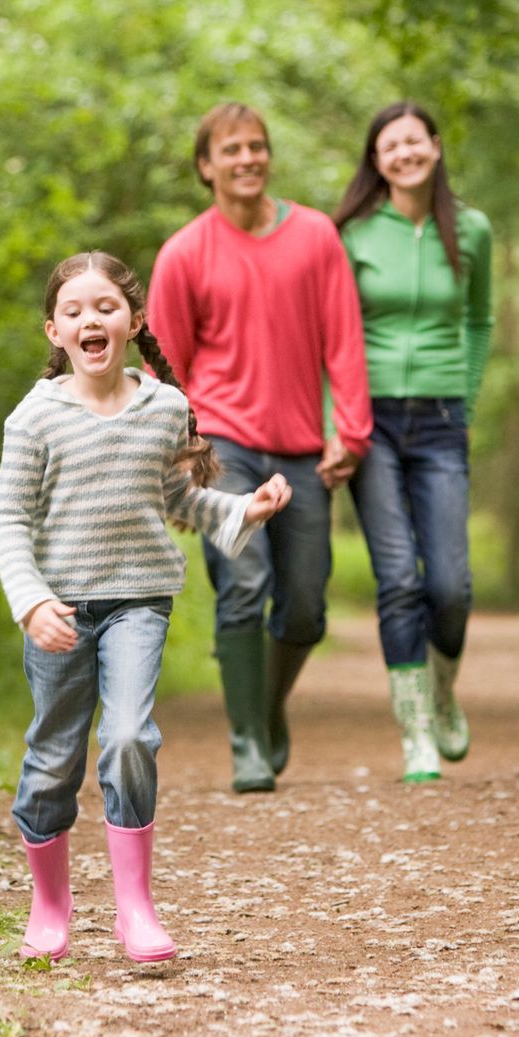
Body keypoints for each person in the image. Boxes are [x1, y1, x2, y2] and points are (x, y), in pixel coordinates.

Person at [0, 251, 293, 964]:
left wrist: (244, 509)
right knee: (53, 760)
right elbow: (10, 520)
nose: (90, 320)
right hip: (59, 610)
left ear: (130, 321)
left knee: (128, 738)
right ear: (54, 331)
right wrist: (31, 603)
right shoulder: (34, 418)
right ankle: (50, 904)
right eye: (74, 311)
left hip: (138, 601)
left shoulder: (164, 407)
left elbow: (177, 498)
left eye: (104, 307)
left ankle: (135, 907)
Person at [150, 102, 373, 794]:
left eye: (257, 147)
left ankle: (265, 707)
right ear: (205, 167)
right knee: (245, 585)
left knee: (305, 603)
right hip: (223, 449)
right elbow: (165, 368)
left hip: (302, 448)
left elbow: (344, 338)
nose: (247, 158)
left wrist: (352, 432)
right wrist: (181, 458)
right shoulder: (185, 252)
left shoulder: (314, 236)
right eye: (231, 149)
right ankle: (247, 740)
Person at [332, 101, 493, 782]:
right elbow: (332, 332)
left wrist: (466, 392)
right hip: (370, 422)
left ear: (435, 146)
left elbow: (480, 320)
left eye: (413, 140)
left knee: (450, 584)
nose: (403, 153)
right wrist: (335, 422)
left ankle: (443, 690)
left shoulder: (474, 230)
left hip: (441, 419)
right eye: (388, 146)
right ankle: (416, 733)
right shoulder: (355, 234)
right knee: (398, 578)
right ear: (376, 160)